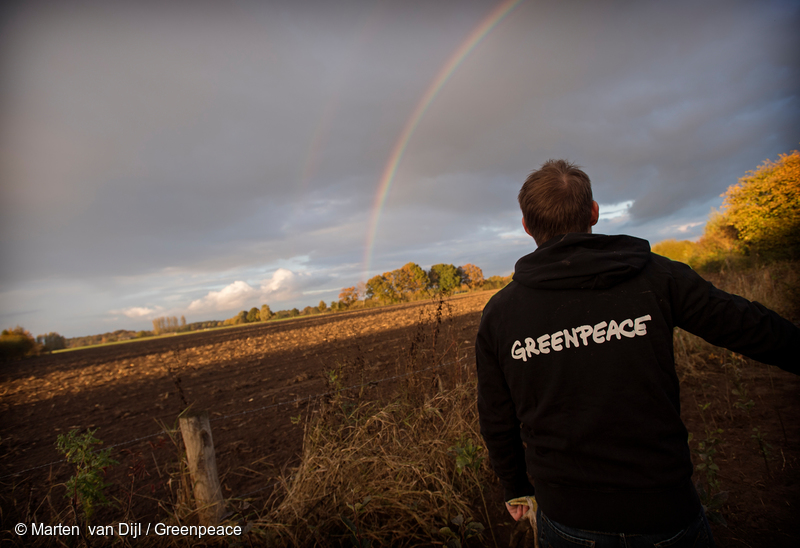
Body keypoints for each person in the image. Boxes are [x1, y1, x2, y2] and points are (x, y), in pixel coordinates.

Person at [476, 159, 799, 547]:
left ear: (526, 225)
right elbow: (748, 325)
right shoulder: (657, 276)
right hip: (666, 512)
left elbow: (496, 416)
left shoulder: (500, 314)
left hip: (567, 519)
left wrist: (514, 486)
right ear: (593, 212)